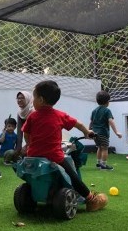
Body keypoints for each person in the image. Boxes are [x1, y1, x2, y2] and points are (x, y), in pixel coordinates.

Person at [22, 80, 107, 212]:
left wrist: (30, 144)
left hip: (33, 156)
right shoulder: (59, 115)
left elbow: (26, 133)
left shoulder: (32, 116)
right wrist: (87, 132)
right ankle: (91, 199)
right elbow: (77, 123)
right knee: (73, 176)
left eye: (34, 97)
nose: (32, 101)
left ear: (41, 99)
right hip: (55, 156)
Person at [89, 90, 122, 170]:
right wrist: (116, 132)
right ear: (108, 102)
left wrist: (88, 131)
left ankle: (98, 163)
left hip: (94, 133)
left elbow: (91, 122)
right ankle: (103, 165)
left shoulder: (94, 111)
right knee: (105, 148)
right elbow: (110, 121)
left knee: (99, 148)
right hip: (103, 133)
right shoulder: (107, 111)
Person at [15, 91, 34, 156]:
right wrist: (18, 148)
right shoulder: (20, 113)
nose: (19, 100)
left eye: (22, 98)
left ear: (28, 99)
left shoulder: (34, 111)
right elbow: (19, 132)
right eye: (18, 98)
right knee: (22, 153)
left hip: (37, 140)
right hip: (28, 140)